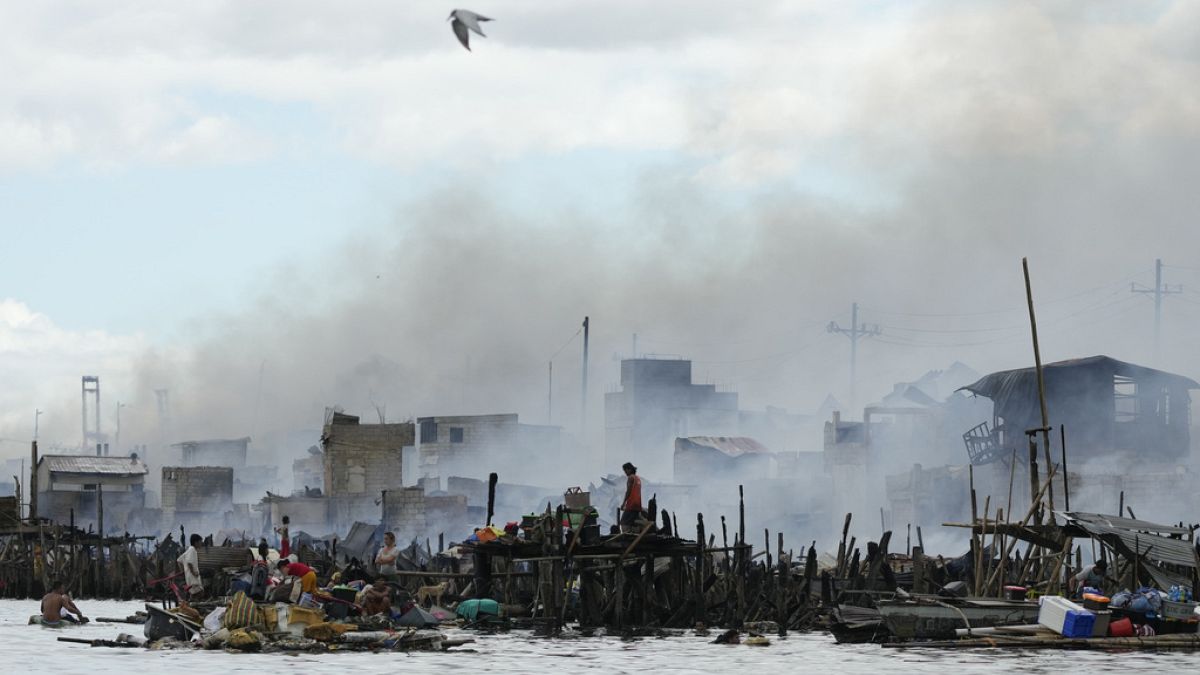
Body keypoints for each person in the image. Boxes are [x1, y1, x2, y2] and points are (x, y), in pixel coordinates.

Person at [177, 533, 205, 598]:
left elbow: (179, 560)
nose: (201, 543)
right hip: (193, 579)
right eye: (200, 541)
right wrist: (193, 572)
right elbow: (189, 562)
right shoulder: (192, 550)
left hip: (190, 578)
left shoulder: (189, 550)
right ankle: (193, 606)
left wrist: (183, 572)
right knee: (200, 593)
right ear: (196, 542)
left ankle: (190, 606)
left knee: (194, 594)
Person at [620, 462, 643, 533]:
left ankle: (628, 536)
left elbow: (628, 492)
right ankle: (637, 532)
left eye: (625, 470)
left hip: (631, 504)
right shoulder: (638, 479)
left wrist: (623, 503)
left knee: (623, 522)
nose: (625, 473)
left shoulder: (631, 478)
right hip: (638, 505)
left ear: (629, 469)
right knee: (632, 522)